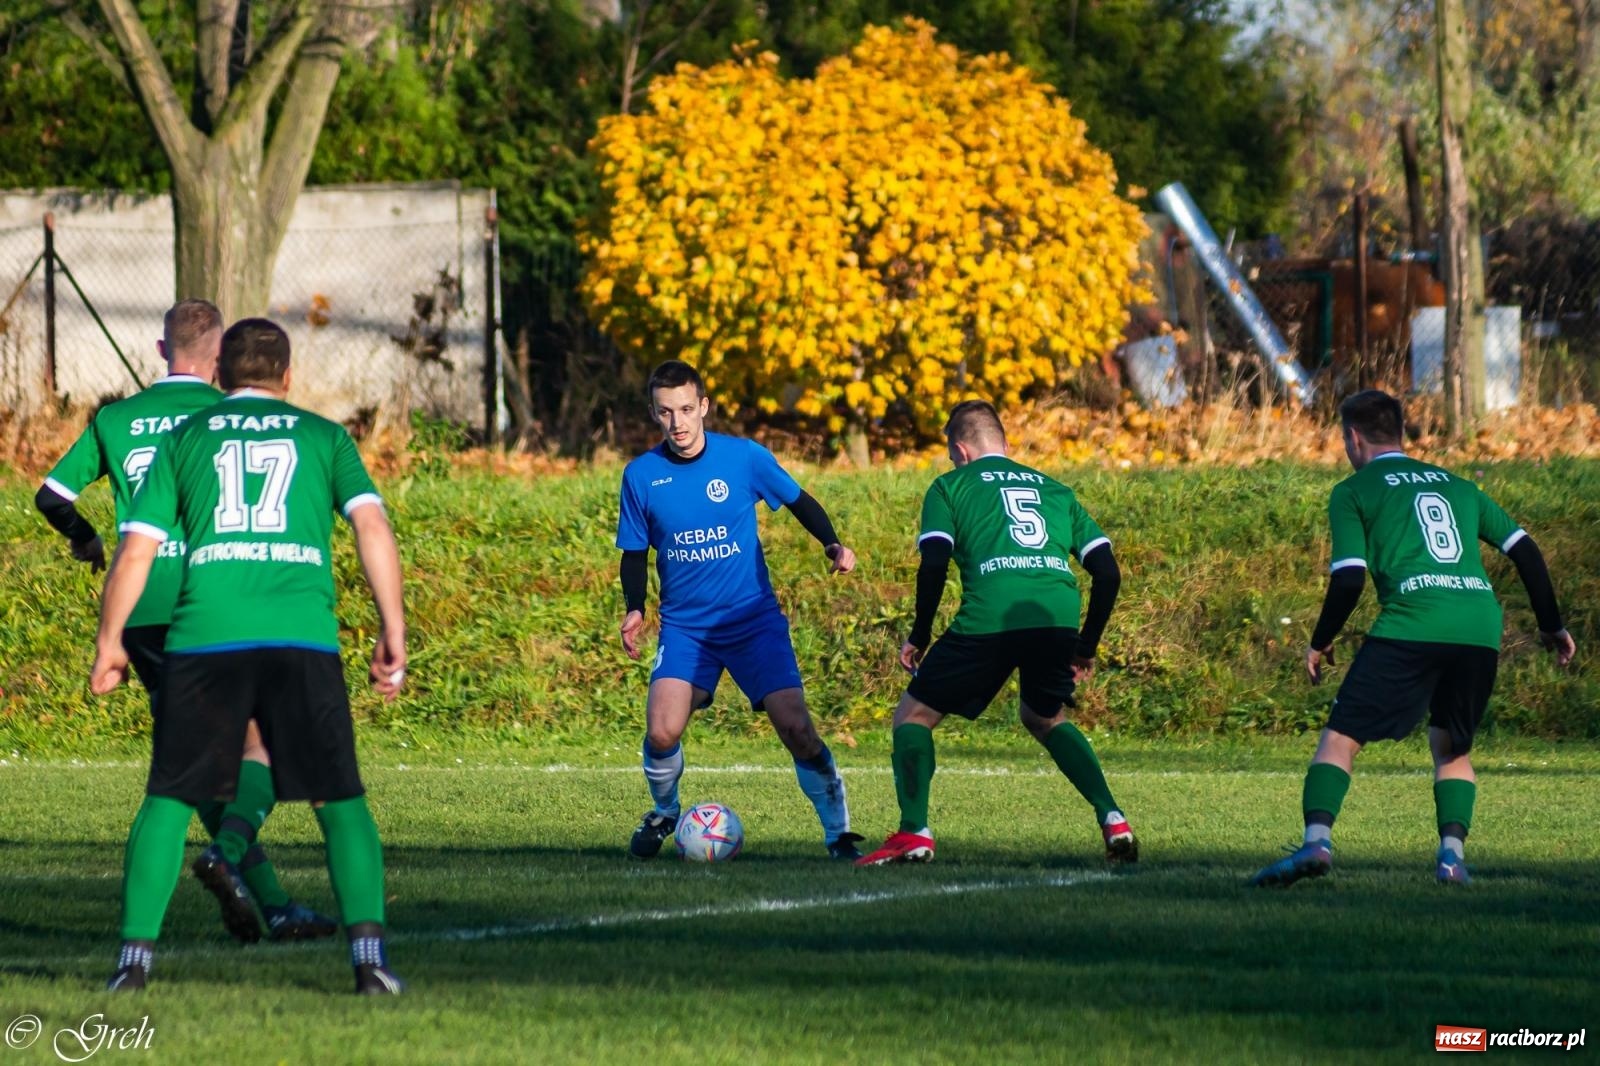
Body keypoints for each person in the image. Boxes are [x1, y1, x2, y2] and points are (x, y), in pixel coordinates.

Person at [91, 318, 407, 994]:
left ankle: (132, 965)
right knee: (338, 798)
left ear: (221, 377)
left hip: (206, 635)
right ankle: (370, 965)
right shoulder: (325, 437)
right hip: (301, 637)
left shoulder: (185, 438)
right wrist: (393, 627)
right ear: (287, 377)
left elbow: (137, 547)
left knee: (170, 798)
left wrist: (110, 639)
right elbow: (372, 525)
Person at [36, 299, 334, 944]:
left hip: (138, 607)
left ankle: (272, 902)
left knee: (192, 756)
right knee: (251, 747)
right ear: (221, 354)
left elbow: (52, 496)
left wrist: (86, 540)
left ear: (159, 348)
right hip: (210, 599)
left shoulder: (117, 418)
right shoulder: (225, 416)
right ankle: (257, 890)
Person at [1249, 389, 1575, 888]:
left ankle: (1316, 843)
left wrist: (1320, 639)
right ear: (1399, 433)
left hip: (1412, 621)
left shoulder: (1355, 491)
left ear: (1353, 438)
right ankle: (1451, 859)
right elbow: (1526, 552)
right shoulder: (1460, 486)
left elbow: (1350, 577)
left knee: (1340, 739)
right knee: (1452, 750)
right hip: (1477, 628)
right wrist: (1552, 626)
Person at [856, 400, 1134, 867]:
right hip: (1057, 613)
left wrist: (919, 634)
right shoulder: (1055, 489)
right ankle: (1114, 818)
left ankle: (914, 833)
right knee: (1044, 717)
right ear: (1005, 446)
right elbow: (1107, 573)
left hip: (992, 615)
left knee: (913, 717)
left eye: (951, 455)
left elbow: (934, 562)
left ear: (961, 451)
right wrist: (1085, 645)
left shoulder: (949, 486)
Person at [616, 359, 863, 860]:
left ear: (704, 406)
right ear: (653, 414)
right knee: (662, 729)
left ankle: (838, 833)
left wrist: (833, 545)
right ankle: (665, 812)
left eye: (687, 409)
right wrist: (635, 609)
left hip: (753, 620)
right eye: (666, 412)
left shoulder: (743, 459)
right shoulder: (641, 476)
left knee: (796, 728)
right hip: (687, 628)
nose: (678, 422)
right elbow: (634, 553)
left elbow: (799, 501)